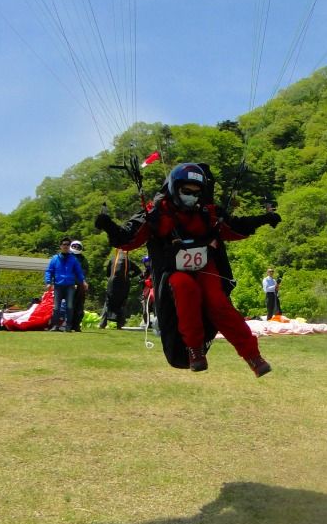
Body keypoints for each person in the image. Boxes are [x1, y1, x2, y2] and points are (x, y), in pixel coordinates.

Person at [94, 161, 280, 376]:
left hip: (204, 268)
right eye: (186, 191)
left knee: (218, 302)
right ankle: (194, 349)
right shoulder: (156, 213)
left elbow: (234, 226)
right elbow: (129, 238)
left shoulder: (206, 212)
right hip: (173, 271)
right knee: (184, 287)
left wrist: (264, 219)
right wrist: (108, 225)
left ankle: (252, 356)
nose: (191, 196)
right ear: (175, 188)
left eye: (196, 192)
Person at [45, 238, 85, 332]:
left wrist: (83, 282)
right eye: (64, 244)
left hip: (70, 286)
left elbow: (79, 272)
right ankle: (55, 326)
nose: (66, 246)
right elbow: (49, 271)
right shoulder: (55, 258)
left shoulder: (74, 259)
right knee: (56, 307)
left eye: (67, 244)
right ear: (60, 246)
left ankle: (68, 326)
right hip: (58, 285)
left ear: (69, 247)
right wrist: (48, 282)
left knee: (70, 306)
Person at [99, 249, 142, 329]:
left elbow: (108, 273)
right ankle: (120, 324)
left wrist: (111, 276)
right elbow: (138, 271)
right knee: (122, 303)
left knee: (108, 302)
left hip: (112, 284)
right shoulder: (128, 261)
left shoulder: (112, 260)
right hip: (124, 285)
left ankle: (103, 323)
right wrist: (129, 276)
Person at [68, 240, 90, 332]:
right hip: (69, 283)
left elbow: (85, 271)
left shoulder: (83, 259)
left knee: (79, 305)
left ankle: (76, 325)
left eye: (78, 247)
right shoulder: (67, 256)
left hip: (80, 284)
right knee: (69, 305)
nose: (76, 248)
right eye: (74, 246)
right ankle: (68, 324)